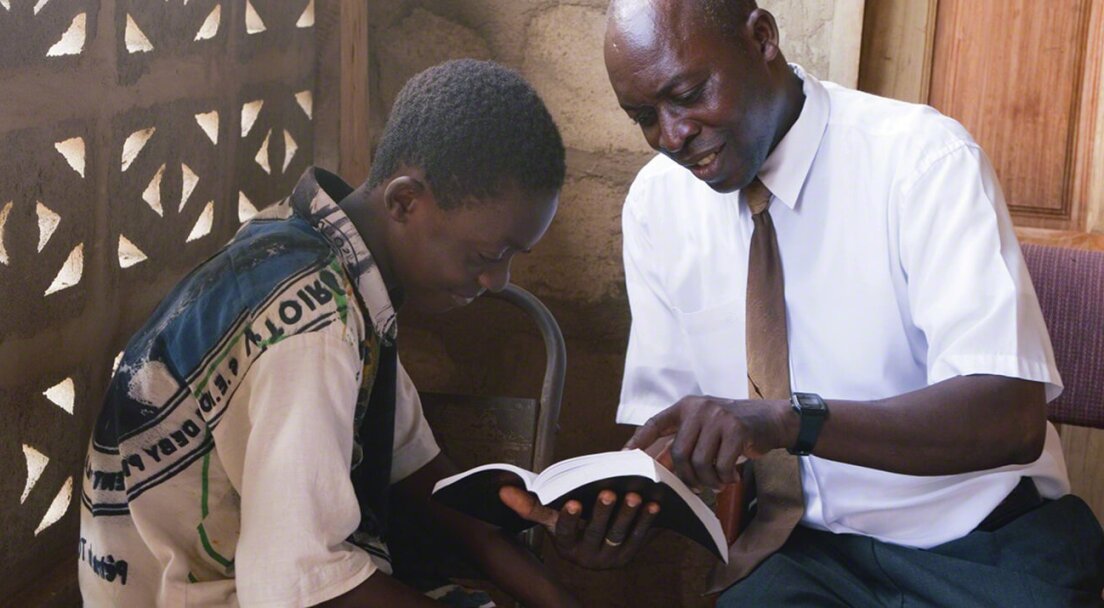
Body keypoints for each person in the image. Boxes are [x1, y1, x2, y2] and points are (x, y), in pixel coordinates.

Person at [503, 0, 1104, 605]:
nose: (673, 135)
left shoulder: (922, 160)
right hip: (808, 557)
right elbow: (674, 436)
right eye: (644, 117)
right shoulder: (657, 207)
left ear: (763, 38)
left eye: (687, 94)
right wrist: (616, 509)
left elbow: (1011, 420)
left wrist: (790, 420)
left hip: (983, 544)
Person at [79, 59, 581, 608]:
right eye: (488, 254)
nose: (497, 279)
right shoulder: (315, 329)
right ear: (405, 202)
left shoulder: (319, 256)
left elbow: (423, 477)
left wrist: (557, 598)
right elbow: (298, 586)